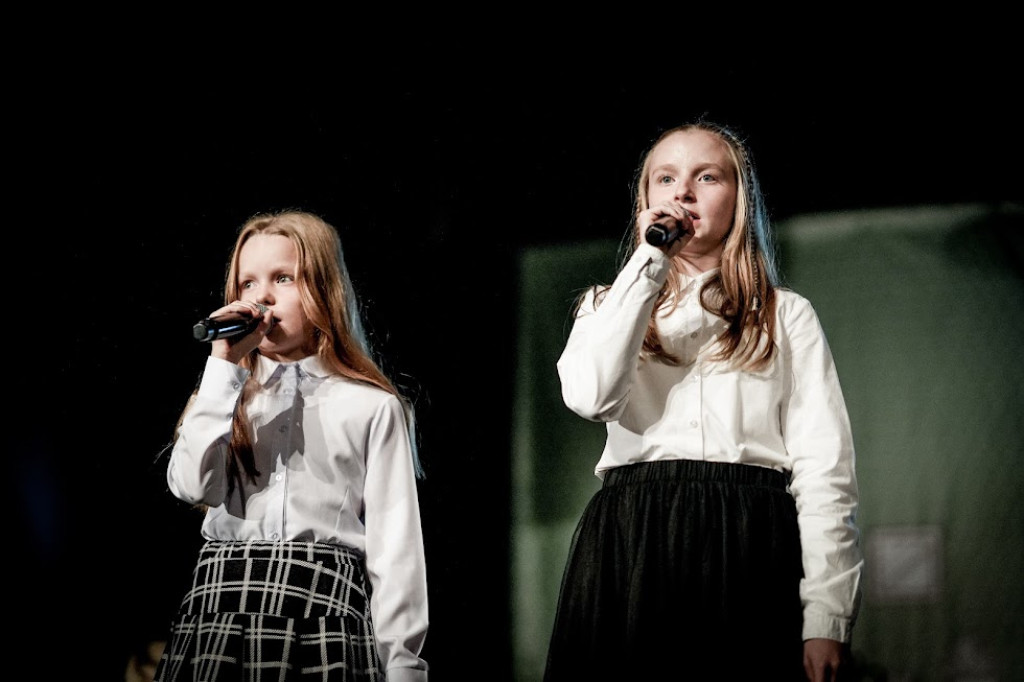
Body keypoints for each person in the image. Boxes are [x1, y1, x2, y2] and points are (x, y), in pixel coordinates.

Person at [543, 120, 862, 681]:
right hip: (634, 537)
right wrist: (647, 266)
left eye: (706, 177)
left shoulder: (785, 314)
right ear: (645, 201)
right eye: (665, 179)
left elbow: (825, 471)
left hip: (749, 537)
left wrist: (826, 618)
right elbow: (590, 396)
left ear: (738, 199)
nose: (682, 193)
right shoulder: (605, 305)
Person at [153, 210, 429, 681]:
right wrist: (223, 365)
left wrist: (404, 668)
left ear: (323, 289)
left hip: (323, 614)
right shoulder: (225, 392)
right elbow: (191, 486)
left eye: (283, 278)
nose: (261, 296)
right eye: (246, 284)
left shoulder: (371, 407)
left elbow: (395, 554)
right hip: (222, 616)